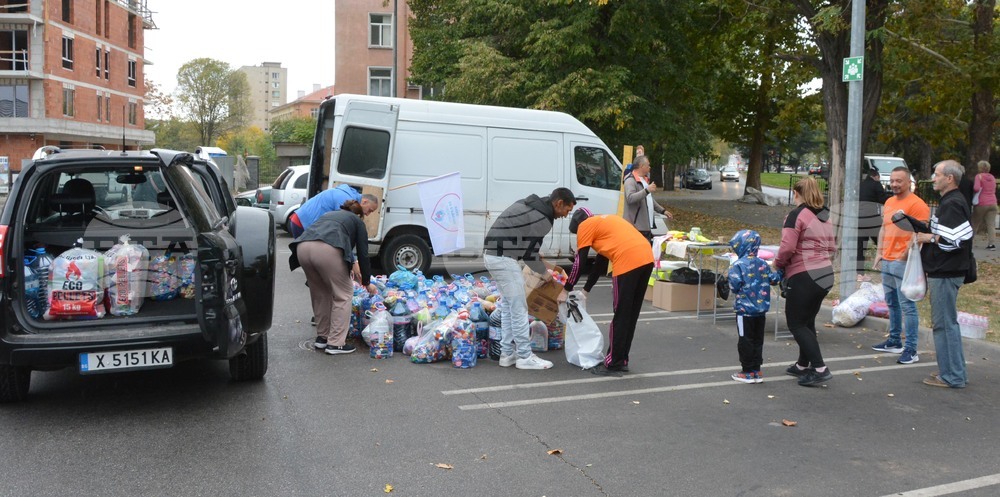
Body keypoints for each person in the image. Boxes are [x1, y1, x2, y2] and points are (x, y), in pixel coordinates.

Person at [483, 187, 576, 370]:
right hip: (503, 258)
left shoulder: (530, 205)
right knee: (519, 307)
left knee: (510, 306)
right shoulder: (542, 218)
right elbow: (529, 255)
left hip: (493, 255)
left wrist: (534, 256)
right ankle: (525, 356)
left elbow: (526, 245)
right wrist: (545, 274)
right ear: (558, 203)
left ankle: (507, 354)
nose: (566, 215)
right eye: (567, 210)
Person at [564, 208, 654, 376]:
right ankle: (621, 359)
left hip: (627, 261)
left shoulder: (585, 226)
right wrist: (586, 289)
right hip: (646, 257)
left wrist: (566, 289)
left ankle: (613, 363)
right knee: (630, 314)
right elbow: (600, 262)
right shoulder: (605, 223)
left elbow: (579, 262)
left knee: (620, 314)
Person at [913, 160, 974, 388]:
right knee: (946, 323)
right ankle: (953, 372)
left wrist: (926, 237)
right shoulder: (951, 201)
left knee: (945, 325)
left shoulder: (953, 203)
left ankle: (953, 376)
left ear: (949, 178)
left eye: (937, 174)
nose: (933, 178)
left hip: (947, 272)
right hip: (946, 271)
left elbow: (954, 240)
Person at [289, 200, 378, 354]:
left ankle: (322, 338)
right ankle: (336, 343)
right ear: (358, 213)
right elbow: (363, 253)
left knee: (320, 294)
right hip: (327, 249)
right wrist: (367, 282)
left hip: (302, 248)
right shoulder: (357, 221)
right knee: (343, 295)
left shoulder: (330, 214)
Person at [774, 176, 836, 387]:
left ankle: (819, 368)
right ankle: (803, 364)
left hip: (804, 274)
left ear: (796, 193)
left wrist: (777, 263)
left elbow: (788, 247)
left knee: (796, 322)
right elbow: (832, 248)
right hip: (825, 274)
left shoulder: (796, 215)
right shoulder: (824, 216)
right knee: (807, 320)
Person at [870, 166, 929, 365]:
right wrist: (879, 253)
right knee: (892, 303)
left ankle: (911, 349)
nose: (894, 184)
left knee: (907, 306)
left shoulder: (918, 204)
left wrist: (903, 256)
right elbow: (883, 228)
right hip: (887, 260)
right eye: (892, 180)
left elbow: (918, 235)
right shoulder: (888, 201)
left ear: (909, 182)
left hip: (903, 263)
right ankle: (894, 341)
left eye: (899, 181)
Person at [726, 230, 781, 384]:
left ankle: (747, 371)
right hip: (760, 311)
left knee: (745, 339)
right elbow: (774, 279)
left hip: (744, 311)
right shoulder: (763, 264)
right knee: (758, 339)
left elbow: (734, 286)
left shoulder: (737, 265)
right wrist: (782, 271)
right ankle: (757, 369)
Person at [289, 183, 379, 238]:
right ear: (364, 201)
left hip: (300, 219)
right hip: (303, 223)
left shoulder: (348, 195)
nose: (367, 214)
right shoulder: (346, 199)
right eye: (370, 210)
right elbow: (342, 231)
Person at [623, 154, 672, 243]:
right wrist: (646, 190)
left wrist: (662, 211)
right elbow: (630, 198)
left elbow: (648, 199)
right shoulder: (630, 180)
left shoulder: (643, 180)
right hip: (635, 227)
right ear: (642, 166)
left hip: (646, 226)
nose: (649, 167)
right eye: (648, 165)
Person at [857, 164, 889, 278]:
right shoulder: (876, 184)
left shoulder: (860, 185)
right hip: (872, 220)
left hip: (859, 219)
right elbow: (882, 199)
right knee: (882, 244)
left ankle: (859, 274)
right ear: (876, 176)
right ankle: (886, 267)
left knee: (860, 247)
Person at [971, 160, 997, 250]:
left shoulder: (979, 176)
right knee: (991, 224)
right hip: (993, 202)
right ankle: (991, 244)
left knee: (975, 223)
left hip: (982, 203)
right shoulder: (992, 177)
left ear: (980, 168)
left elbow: (976, 188)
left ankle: (969, 242)